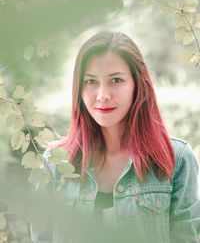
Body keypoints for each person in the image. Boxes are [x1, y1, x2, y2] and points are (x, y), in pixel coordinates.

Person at [31, 31, 200, 243]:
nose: (102, 94)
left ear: (138, 85)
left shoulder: (176, 161)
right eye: (91, 81)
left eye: (116, 80)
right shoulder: (54, 164)